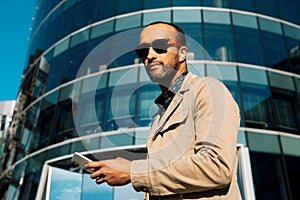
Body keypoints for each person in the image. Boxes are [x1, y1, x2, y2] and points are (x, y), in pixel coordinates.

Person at [85, 21, 241, 199]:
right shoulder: (159, 114)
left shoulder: (209, 90)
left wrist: (132, 172)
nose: (150, 56)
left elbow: (216, 167)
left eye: (159, 46)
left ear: (182, 53)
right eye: (143, 51)